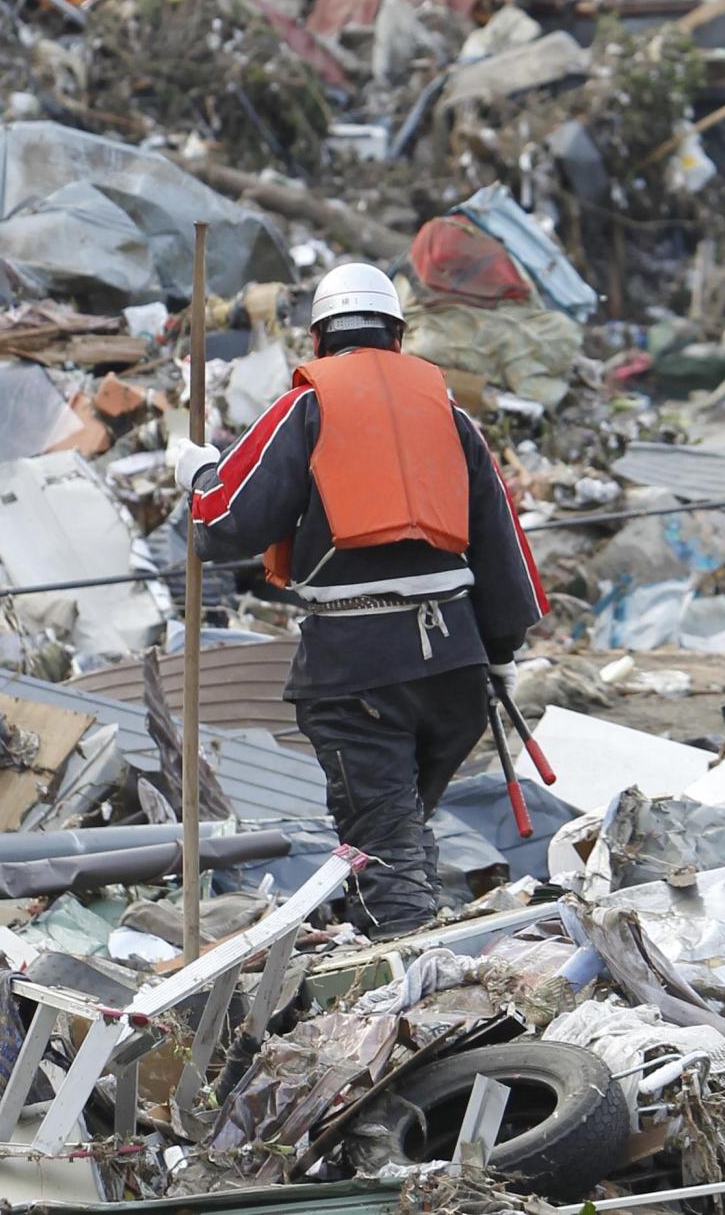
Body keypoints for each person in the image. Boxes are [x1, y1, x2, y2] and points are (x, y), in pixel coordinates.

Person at [169, 262, 548, 936]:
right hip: (456, 671)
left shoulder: (307, 406)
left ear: (318, 338)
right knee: (397, 830)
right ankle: (406, 936)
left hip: (358, 671)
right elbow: (503, 544)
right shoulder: (449, 412)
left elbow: (227, 525)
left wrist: (196, 470)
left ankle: (404, 985)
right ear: (397, 335)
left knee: (384, 844)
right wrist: (501, 653)